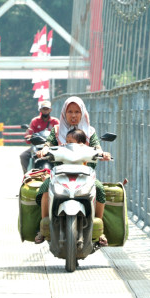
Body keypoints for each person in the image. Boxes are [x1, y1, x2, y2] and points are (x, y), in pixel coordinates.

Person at [34, 97, 112, 245]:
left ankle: (99, 230)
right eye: (70, 111)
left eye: (77, 111)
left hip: (85, 175)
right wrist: (44, 149)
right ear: (64, 113)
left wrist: (104, 154)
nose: (73, 115)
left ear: (83, 113)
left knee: (100, 189)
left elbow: (97, 147)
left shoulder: (90, 131)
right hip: (60, 174)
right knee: (45, 187)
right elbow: (48, 143)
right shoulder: (57, 130)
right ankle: (43, 227)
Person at [20, 100, 59, 173]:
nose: (45, 111)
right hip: (37, 146)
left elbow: (60, 133)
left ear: (50, 110)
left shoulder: (55, 121)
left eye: (47, 109)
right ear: (40, 110)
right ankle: (26, 176)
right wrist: (29, 137)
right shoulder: (35, 121)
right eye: (44, 109)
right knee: (23, 156)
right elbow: (29, 132)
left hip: (52, 146)